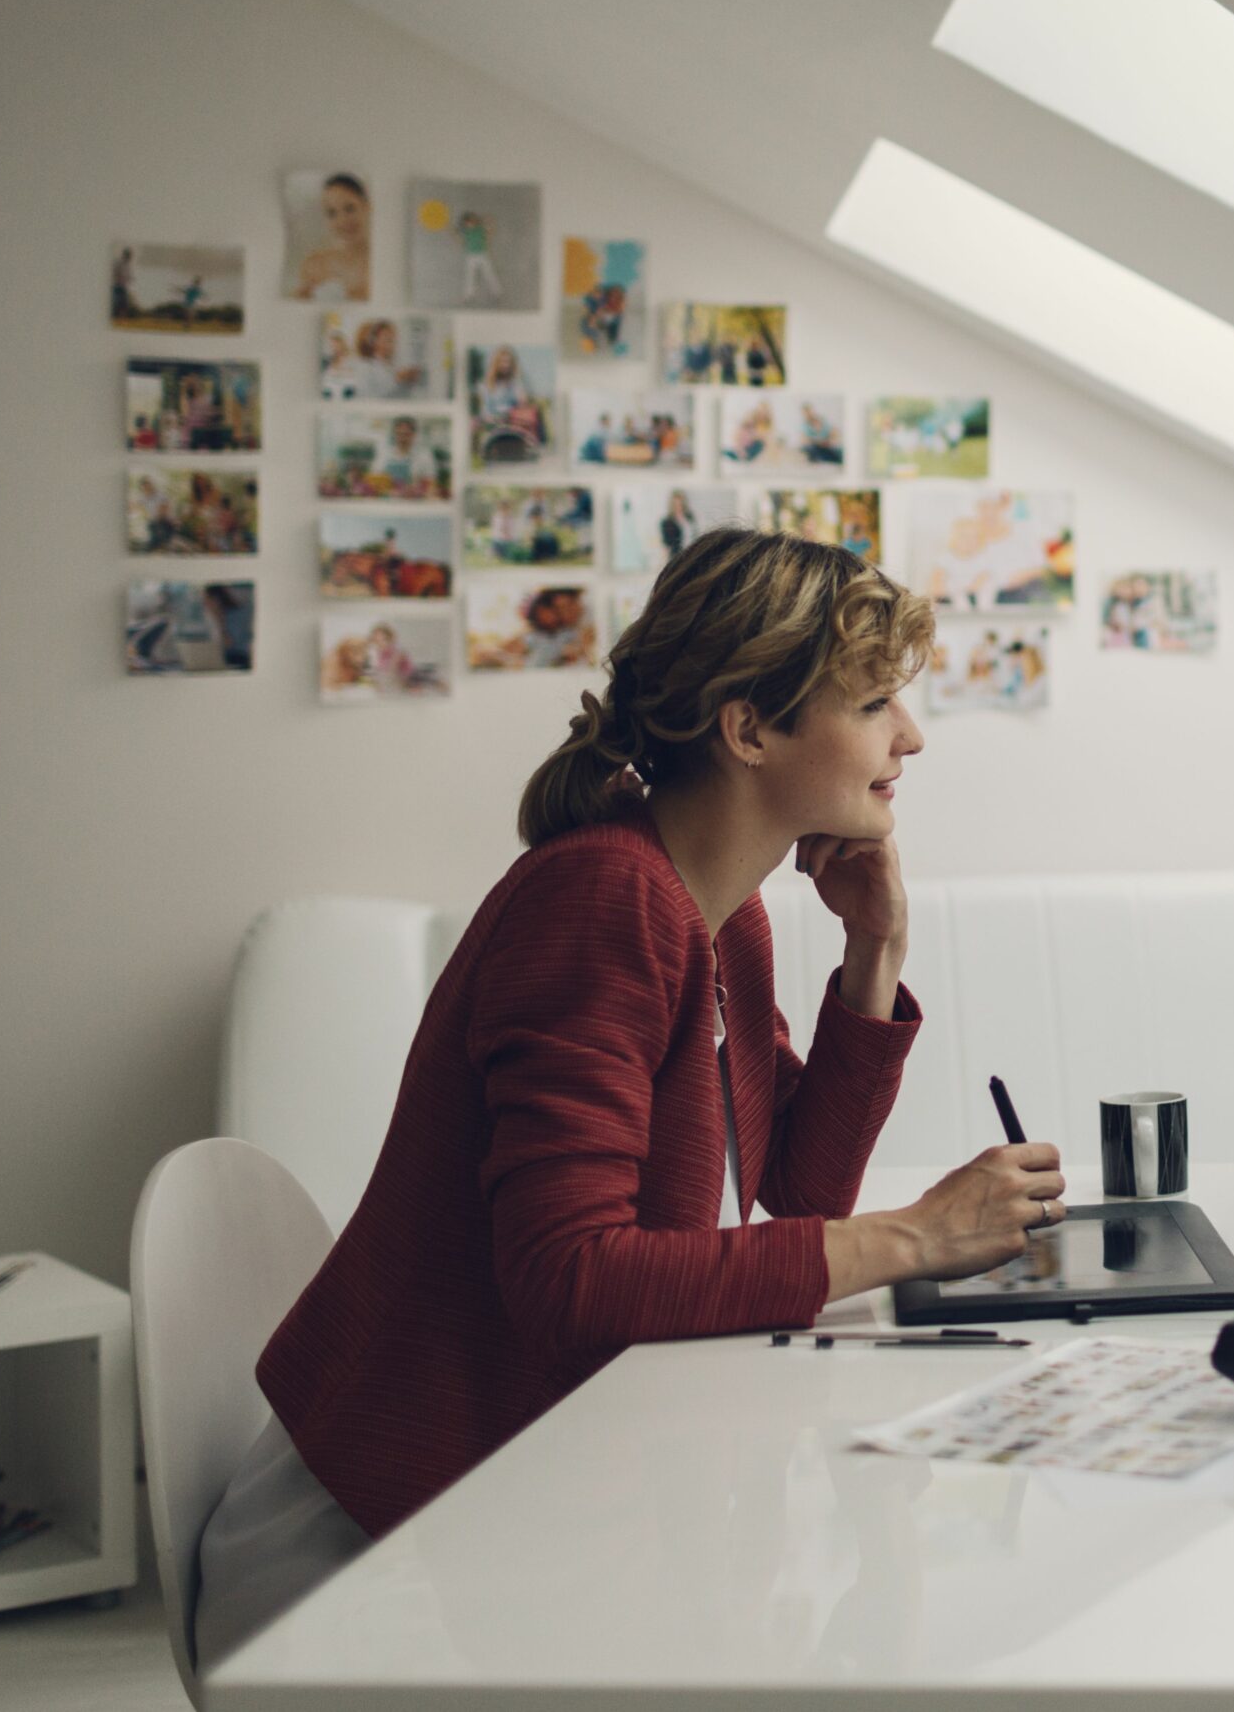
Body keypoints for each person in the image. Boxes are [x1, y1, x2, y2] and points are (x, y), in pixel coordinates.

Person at [194, 530, 1064, 1666]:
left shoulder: (722, 915)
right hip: (372, 1555)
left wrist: (872, 952)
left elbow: (792, 1187)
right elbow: (571, 1277)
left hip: (512, 1504)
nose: (910, 734)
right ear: (748, 727)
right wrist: (911, 1235)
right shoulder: (604, 900)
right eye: (874, 701)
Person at [290, 173, 371, 302]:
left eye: (350, 209)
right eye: (332, 213)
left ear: (366, 206)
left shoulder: (383, 262)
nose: (342, 221)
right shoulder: (313, 265)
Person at [456, 208, 501, 304]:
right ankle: (468, 296)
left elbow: (490, 233)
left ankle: (497, 293)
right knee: (470, 276)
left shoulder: (480, 229)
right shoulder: (466, 232)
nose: (470, 224)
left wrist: (490, 223)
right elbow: (461, 241)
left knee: (489, 273)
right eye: (468, 222)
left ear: (475, 221)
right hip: (471, 256)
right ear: (465, 223)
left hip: (482, 255)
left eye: (472, 221)